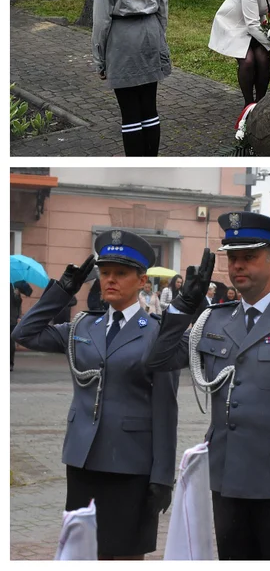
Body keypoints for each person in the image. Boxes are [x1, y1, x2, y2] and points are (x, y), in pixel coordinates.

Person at [145, 212, 270, 560]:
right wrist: (182, 308)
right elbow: (159, 361)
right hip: (227, 478)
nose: (238, 266)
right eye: (232, 258)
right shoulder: (214, 319)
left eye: (249, 257)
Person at [12, 232, 180, 559]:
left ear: (141, 281)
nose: (110, 280)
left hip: (130, 467)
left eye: (120, 273)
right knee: (81, 553)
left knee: (122, 555)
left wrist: (163, 476)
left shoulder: (158, 333)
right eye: (105, 273)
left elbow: (166, 409)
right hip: (83, 461)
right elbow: (24, 333)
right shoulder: (82, 327)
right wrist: (62, 291)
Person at [92, 0, 171, 157]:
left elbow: (101, 20)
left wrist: (99, 58)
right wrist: (160, 40)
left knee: (129, 113)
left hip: (121, 39)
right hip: (150, 33)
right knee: (150, 108)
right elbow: (163, 9)